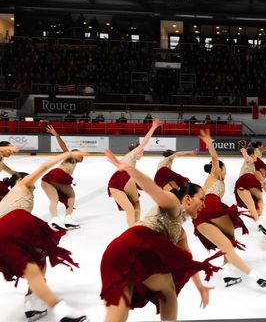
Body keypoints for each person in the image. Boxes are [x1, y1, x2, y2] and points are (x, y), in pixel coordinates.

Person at [101, 150, 220, 322]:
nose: (204, 205)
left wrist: (200, 287)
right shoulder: (173, 204)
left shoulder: (179, 232)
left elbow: (187, 261)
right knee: (167, 290)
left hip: (120, 253)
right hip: (131, 249)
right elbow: (152, 189)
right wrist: (130, 169)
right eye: (202, 199)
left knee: (123, 311)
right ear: (187, 199)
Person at [0, 151, 88, 322]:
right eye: (32, 184)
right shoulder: (22, 185)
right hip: (12, 226)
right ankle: (39, 302)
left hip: (4, 234)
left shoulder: (9, 198)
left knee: (33, 265)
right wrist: (68, 153)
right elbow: (44, 167)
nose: (34, 187)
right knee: (41, 253)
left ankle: (40, 306)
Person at [193, 130, 266, 288]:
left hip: (200, 216)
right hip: (213, 207)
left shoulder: (210, 181)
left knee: (226, 245)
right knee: (230, 242)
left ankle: (227, 274)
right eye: (225, 169)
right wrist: (209, 144)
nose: (226, 171)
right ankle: (255, 276)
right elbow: (215, 158)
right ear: (219, 169)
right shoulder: (215, 174)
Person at [107, 118, 162, 227]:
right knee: (134, 207)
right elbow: (145, 142)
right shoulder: (133, 153)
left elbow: (121, 168)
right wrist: (153, 127)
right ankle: (134, 230)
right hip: (122, 179)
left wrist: (115, 162)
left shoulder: (128, 159)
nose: (142, 154)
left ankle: (134, 227)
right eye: (142, 152)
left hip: (116, 182)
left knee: (133, 209)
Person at [42, 125, 86, 230]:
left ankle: (55, 219)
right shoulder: (70, 157)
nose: (82, 157)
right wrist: (56, 134)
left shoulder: (73, 161)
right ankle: (68, 219)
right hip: (59, 175)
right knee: (71, 196)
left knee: (54, 200)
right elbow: (63, 146)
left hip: (48, 177)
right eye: (80, 155)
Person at [234, 148, 266, 236]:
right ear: (252, 155)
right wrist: (244, 152)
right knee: (260, 200)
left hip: (241, 182)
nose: (257, 156)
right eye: (255, 154)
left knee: (250, 205)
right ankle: (259, 217)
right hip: (251, 180)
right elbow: (247, 158)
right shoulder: (249, 159)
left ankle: (259, 222)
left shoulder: (252, 166)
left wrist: (263, 181)